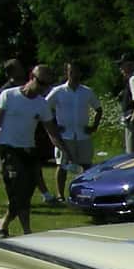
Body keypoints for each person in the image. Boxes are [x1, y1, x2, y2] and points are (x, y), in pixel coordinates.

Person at [0, 64, 62, 237]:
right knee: (17, 192)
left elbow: (51, 131)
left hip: (28, 152)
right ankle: (27, 232)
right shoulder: (8, 96)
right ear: (31, 77)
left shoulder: (41, 104)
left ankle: (4, 222)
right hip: (8, 151)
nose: (43, 88)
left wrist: (65, 150)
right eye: (41, 83)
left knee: (26, 194)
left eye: (47, 85)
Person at [46, 60, 100, 201]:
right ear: (66, 73)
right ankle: (60, 195)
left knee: (86, 165)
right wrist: (54, 125)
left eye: (76, 72)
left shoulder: (87, 92)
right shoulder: (58, 91)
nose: (74, 75)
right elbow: (45, 107)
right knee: (62, 165)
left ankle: (85, 193)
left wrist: (94, 126)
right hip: (65, 135)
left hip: (83, 135)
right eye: (71, 72)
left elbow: (98, 109)